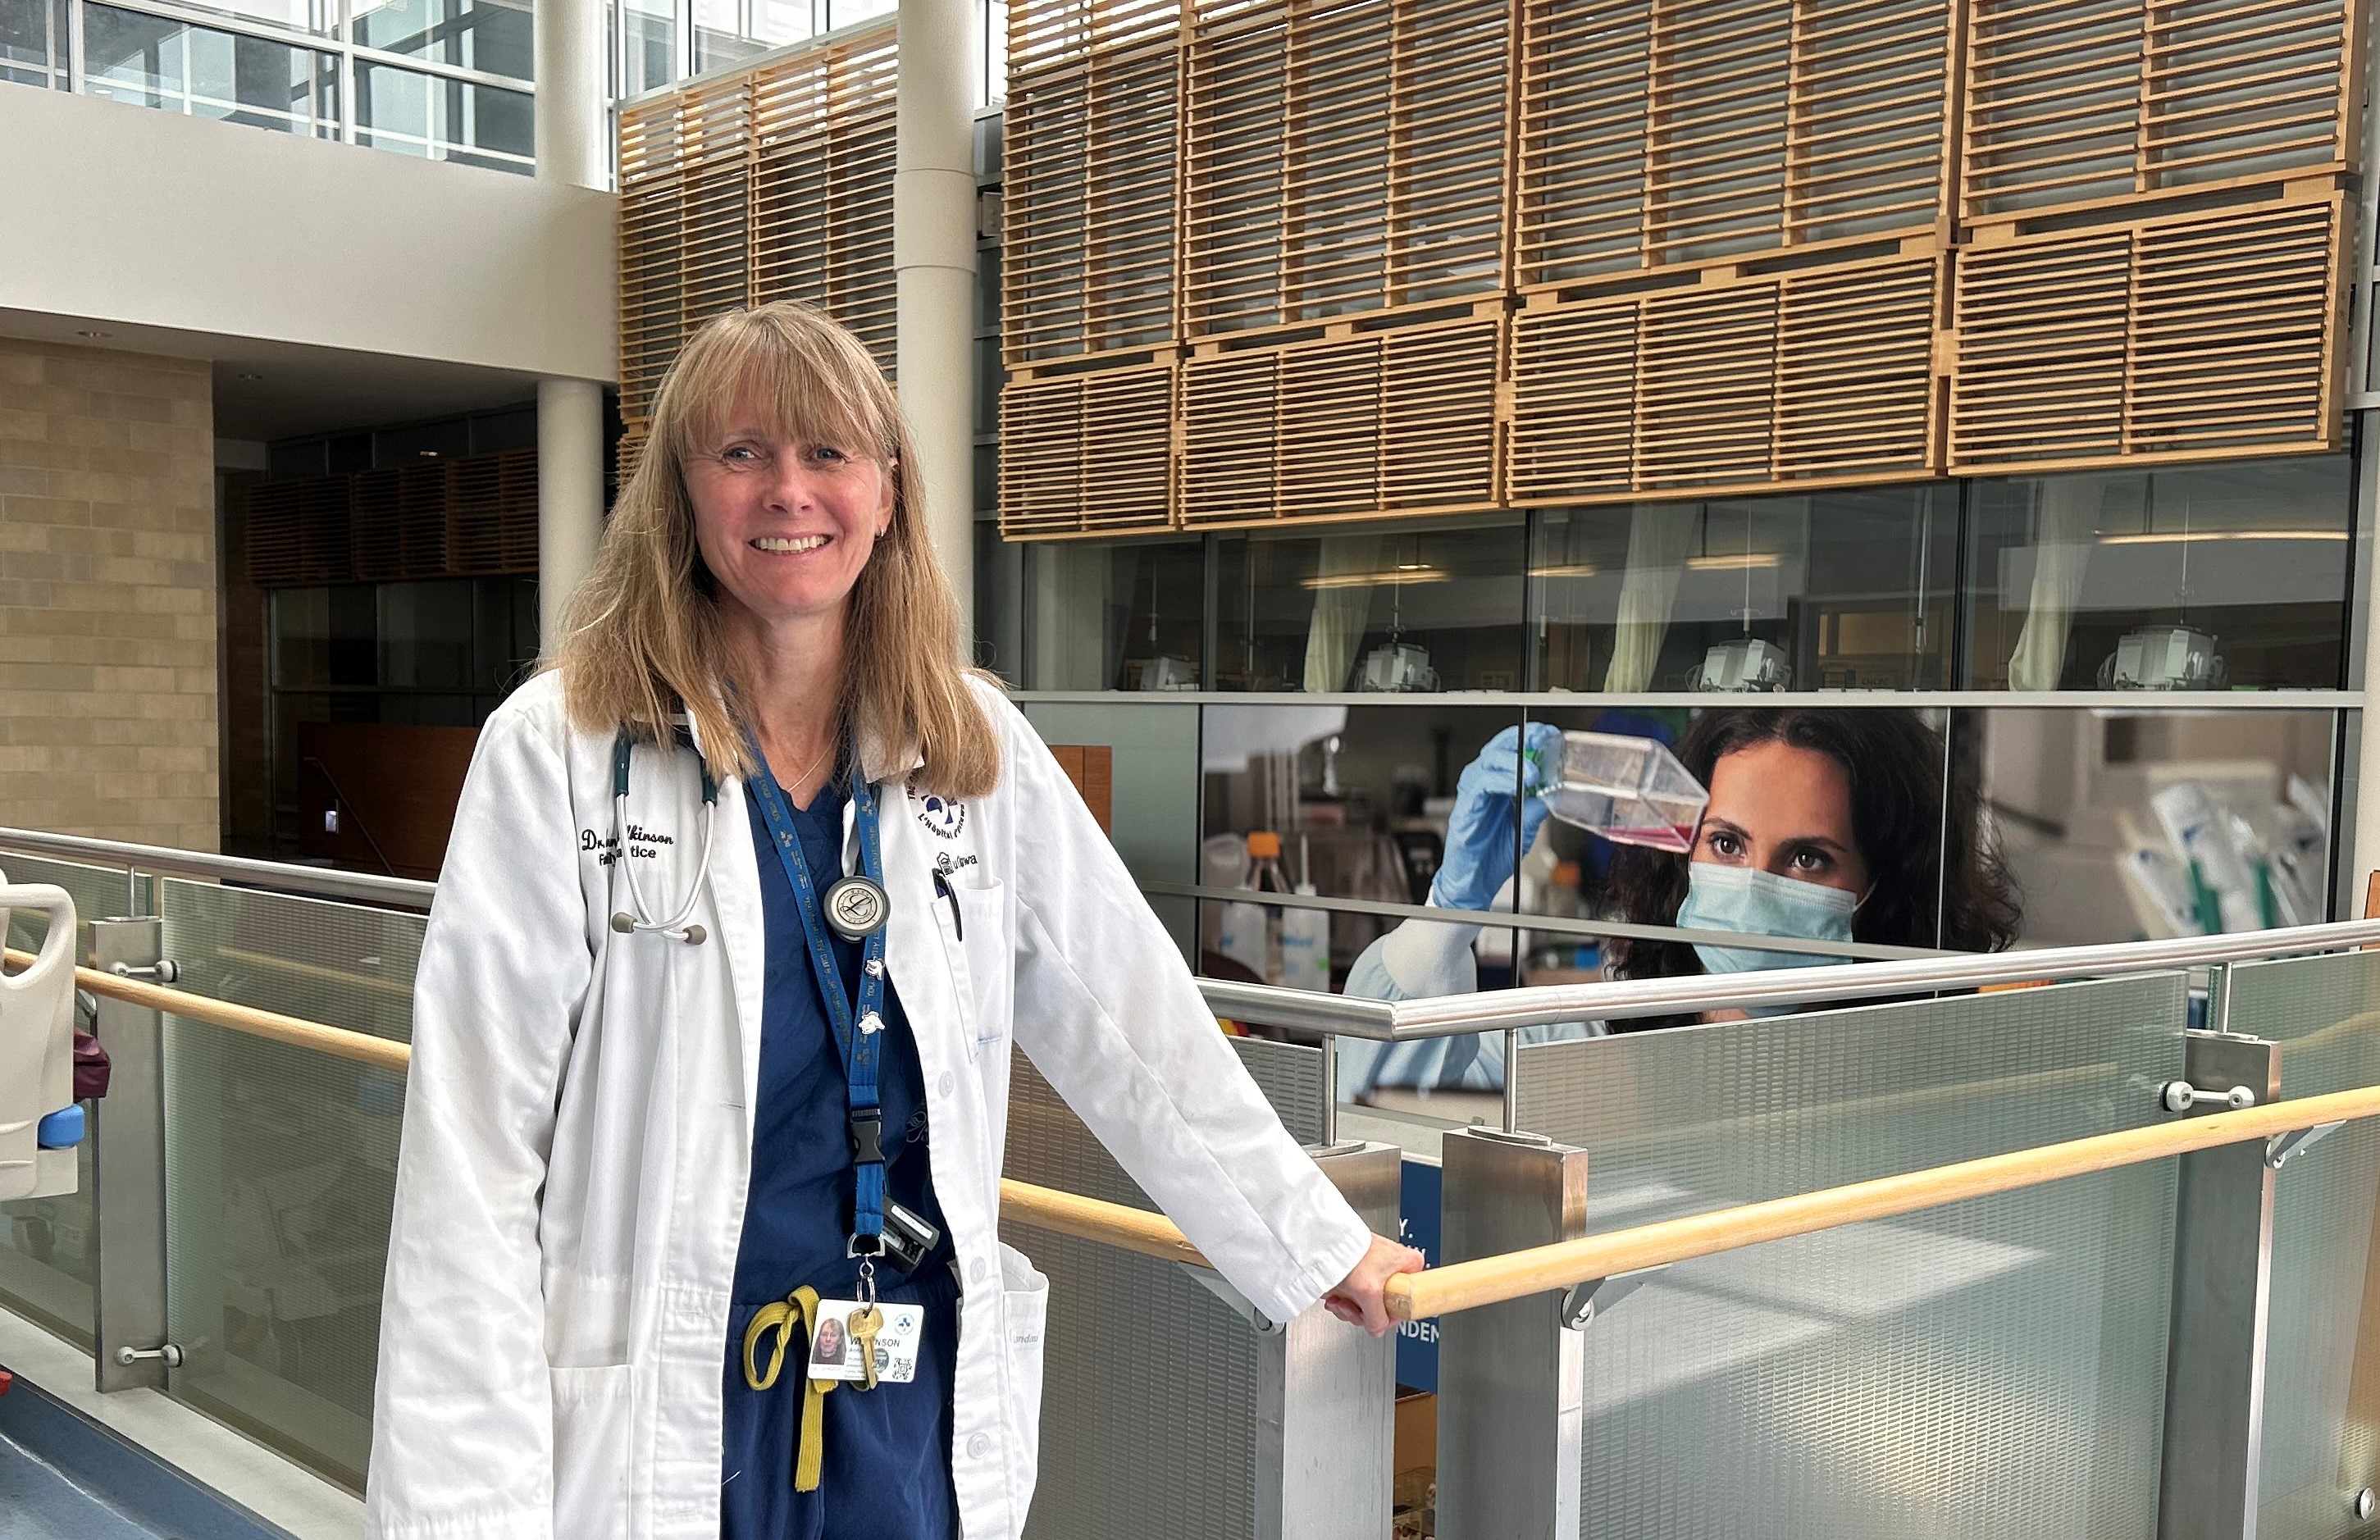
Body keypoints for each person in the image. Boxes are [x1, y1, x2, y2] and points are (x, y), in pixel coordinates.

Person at [364, 301, 1420, 1540]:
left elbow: (1135, 1025)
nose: (788, 492)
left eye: (828, 454)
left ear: (889, 489)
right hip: (666, 1400)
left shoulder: (971, 749)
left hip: (897, 1388)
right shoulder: (559, 748)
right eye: (741, 451)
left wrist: (1317, 1244)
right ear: (680, 492)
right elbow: (472, 1153)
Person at [1601, 706, 2019, 1028]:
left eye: (1807, 859)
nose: (1754, 893)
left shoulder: (1926, 1077)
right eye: (1726, 844)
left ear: (1884, 883)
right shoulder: (1607, 1038)